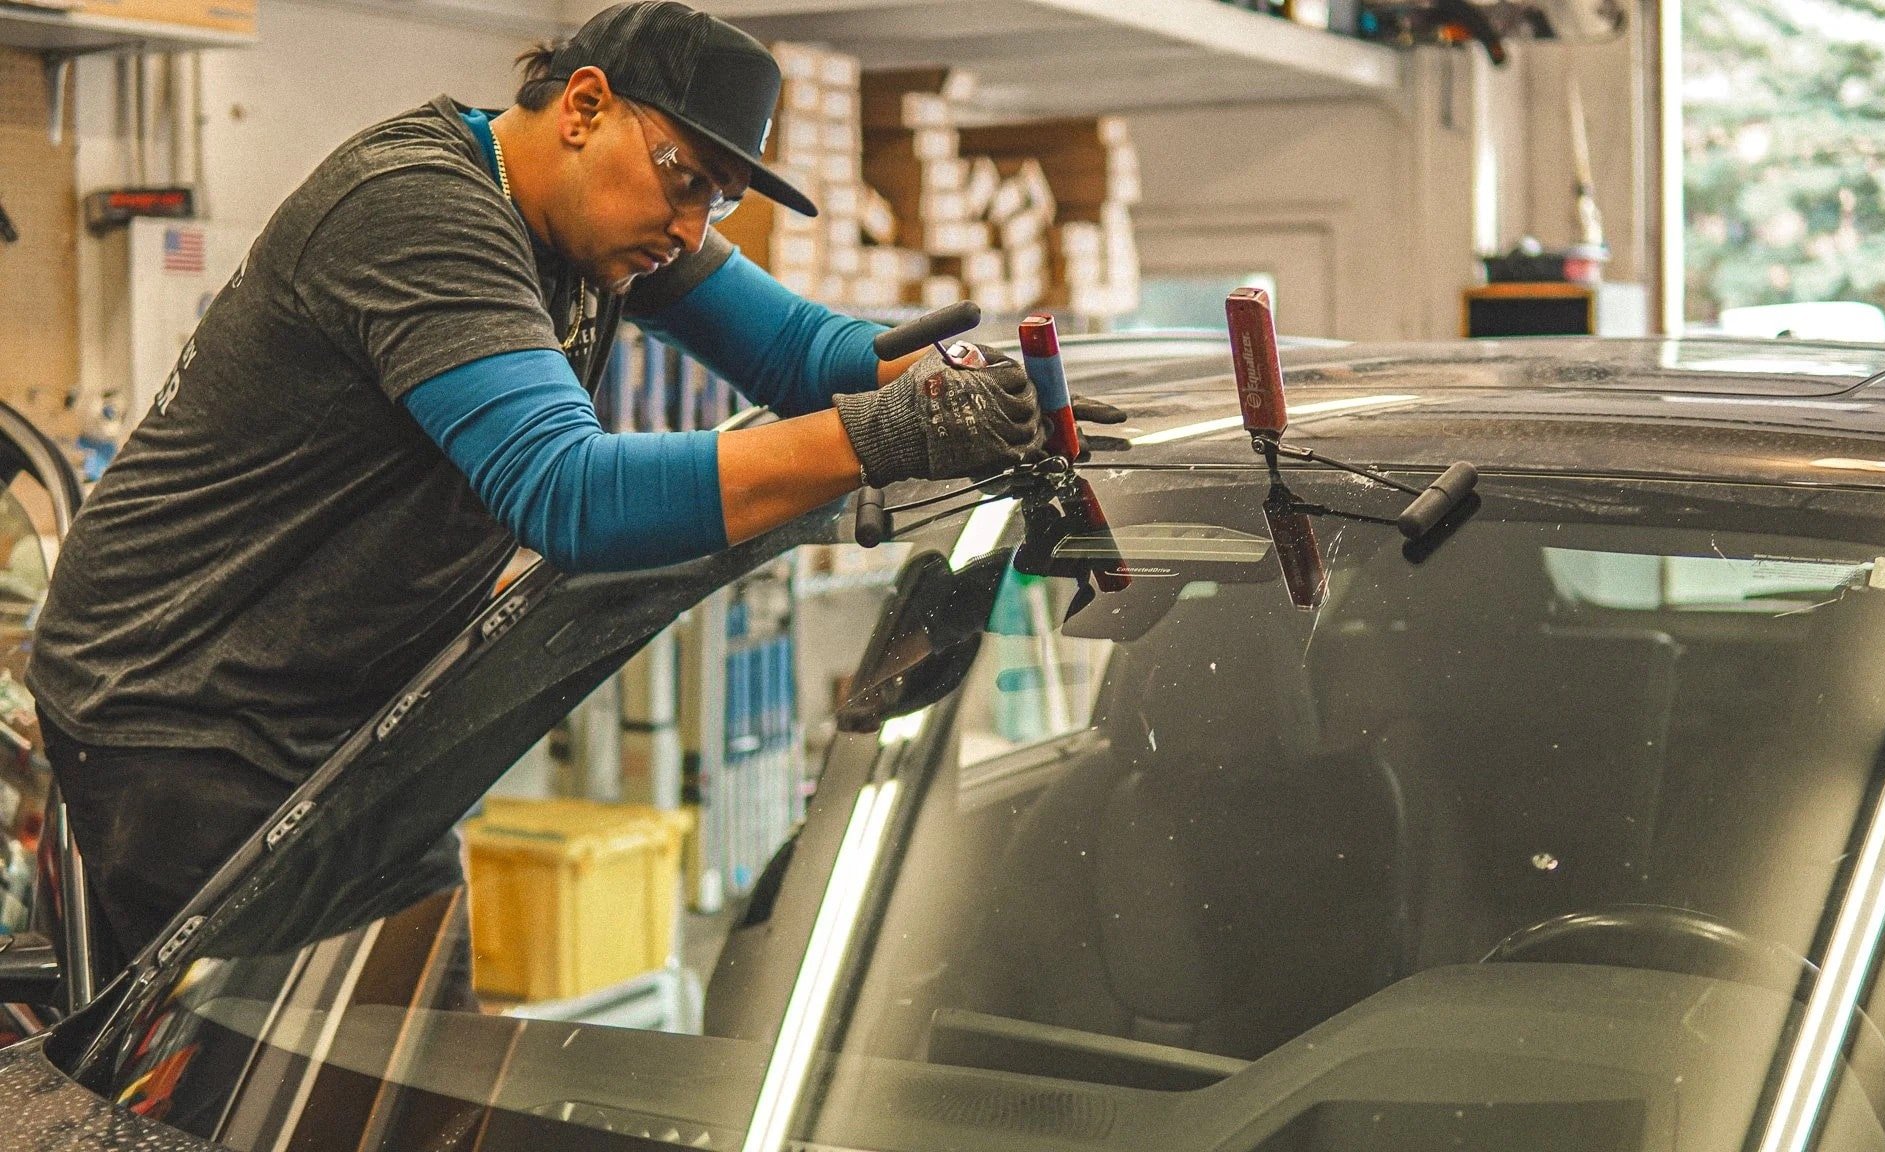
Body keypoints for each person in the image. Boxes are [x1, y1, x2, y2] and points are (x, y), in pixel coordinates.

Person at [26, 0, 1109, 969]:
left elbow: (799, 352)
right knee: (286, 1077)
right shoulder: (420, 209)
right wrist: (890, 435)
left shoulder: (602, 222)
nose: (691, 228)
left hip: (328, 710)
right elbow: (572, 495)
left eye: (720, 202)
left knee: (412, 1042)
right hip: (178, 710)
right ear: (585, 106)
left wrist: (967, 386)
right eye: (686, 180)